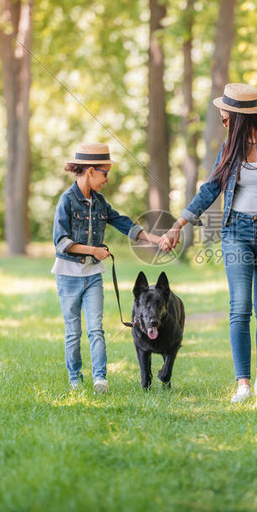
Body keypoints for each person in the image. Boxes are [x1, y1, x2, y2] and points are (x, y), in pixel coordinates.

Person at [161, 83, 257, 403]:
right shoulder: (230, 146)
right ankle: (243, 384)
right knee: (239, 307)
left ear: (242, 117)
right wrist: (178, 225)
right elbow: (210, 189)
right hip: (235, 233)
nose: (223, 122)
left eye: (226, 118)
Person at [53, 142, 164, 394]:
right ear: (90, 171)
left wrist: (157, 240)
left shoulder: (101, 203)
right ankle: (74, 379)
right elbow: (61, 243)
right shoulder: (67, 201)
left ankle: (100, 379)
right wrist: (93, 250)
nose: (107, 179)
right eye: (105, 173)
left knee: (96, 328)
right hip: (68, 275)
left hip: (92, 275)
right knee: (73, 332)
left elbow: (125, 224)